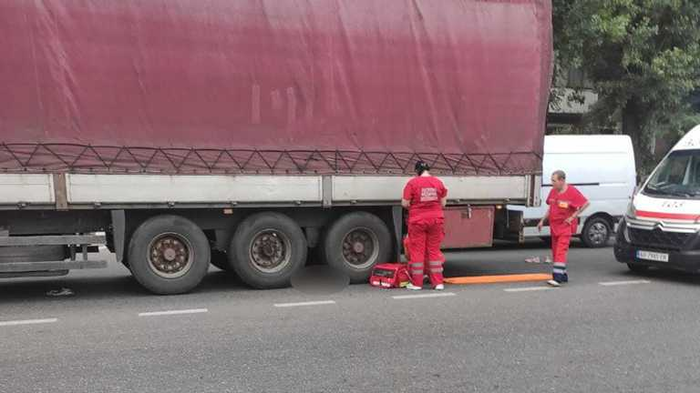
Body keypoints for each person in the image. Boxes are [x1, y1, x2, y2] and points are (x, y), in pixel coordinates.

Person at [538, 170, 590, 287]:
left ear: (562, 180)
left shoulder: (572, 192)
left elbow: (586, 203)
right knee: (556, 252)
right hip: (554, 227)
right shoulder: (553, 191)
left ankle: (557, 278)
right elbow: (550, 208)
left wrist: (572, 217)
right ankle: (564, 275)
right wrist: (542, 220)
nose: (552, 183)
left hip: (565, 227)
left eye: (554, 180)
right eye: (552, 180)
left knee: (561, 251)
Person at [401, 161, 448, 291]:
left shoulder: (412, 183)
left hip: (418, 221)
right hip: (436, 220)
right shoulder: (438, 182)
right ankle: (438, 283)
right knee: (433, 251)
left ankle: (417, 283)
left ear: (417, 171)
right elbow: (443, 203)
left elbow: (405, 203)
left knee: (417, 251)